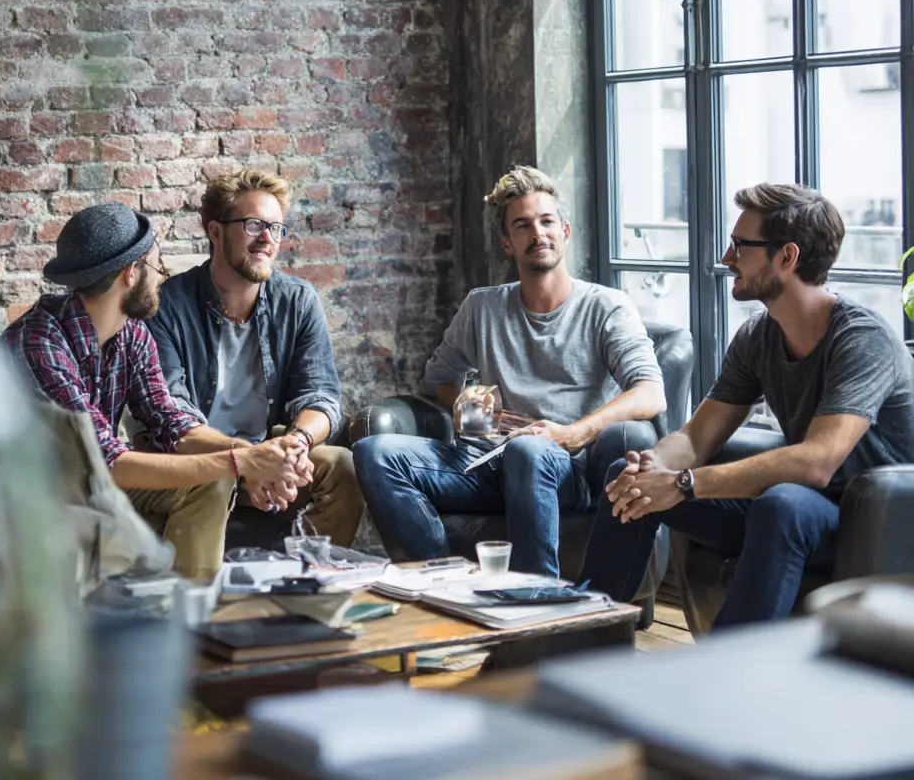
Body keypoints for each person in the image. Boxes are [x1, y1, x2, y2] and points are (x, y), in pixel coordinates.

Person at [581, 183, 914, 628]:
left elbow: (817, 462)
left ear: (787, 257)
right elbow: (696, 437)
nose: (726, 257)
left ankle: (729, 668)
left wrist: (684, 483)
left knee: (783, 505)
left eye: (740, 245)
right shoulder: (758, 335)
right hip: (797, 509)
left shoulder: (862, 340)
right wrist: (654, 467)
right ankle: (578, 640)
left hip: (875, 521)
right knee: (626, 479)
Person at [352, 166, 667, 577]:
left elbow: (650, 393)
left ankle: (534, 598)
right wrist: (464, 403)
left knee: (528, 450)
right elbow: (438, 380)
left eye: (547, 221)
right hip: (486, 462)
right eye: (522, 226)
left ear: (565, 232)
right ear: (507, 242)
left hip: (564, 467)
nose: (538, 233)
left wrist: (574, 433)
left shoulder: (606, 307)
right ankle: (442, 582)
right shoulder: (481, 308)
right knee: (373, 452)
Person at [2, 202, 302, 580]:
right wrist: (243, 462)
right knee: (220, 469)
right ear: (132, 273)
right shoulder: (39, 344)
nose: (162, 281)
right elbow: (104, 463)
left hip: (89, 484)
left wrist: (255, 454)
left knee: (211, 478)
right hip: (29, 499)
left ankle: (191, 604)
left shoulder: (132, 334)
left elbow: (172, 423)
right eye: (158, 269)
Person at [148, 168, 364, 548]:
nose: (267, 239)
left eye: (276, 228)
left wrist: (295, 443)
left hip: (270, 450)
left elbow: (320, 396)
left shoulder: (297, 301)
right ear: (216, 232)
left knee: (341, 466)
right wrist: (251, 460)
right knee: (213, 473)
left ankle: (305, 573)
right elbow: (173, 416)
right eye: (253, 225)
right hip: (199, 459)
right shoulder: (168, 306)